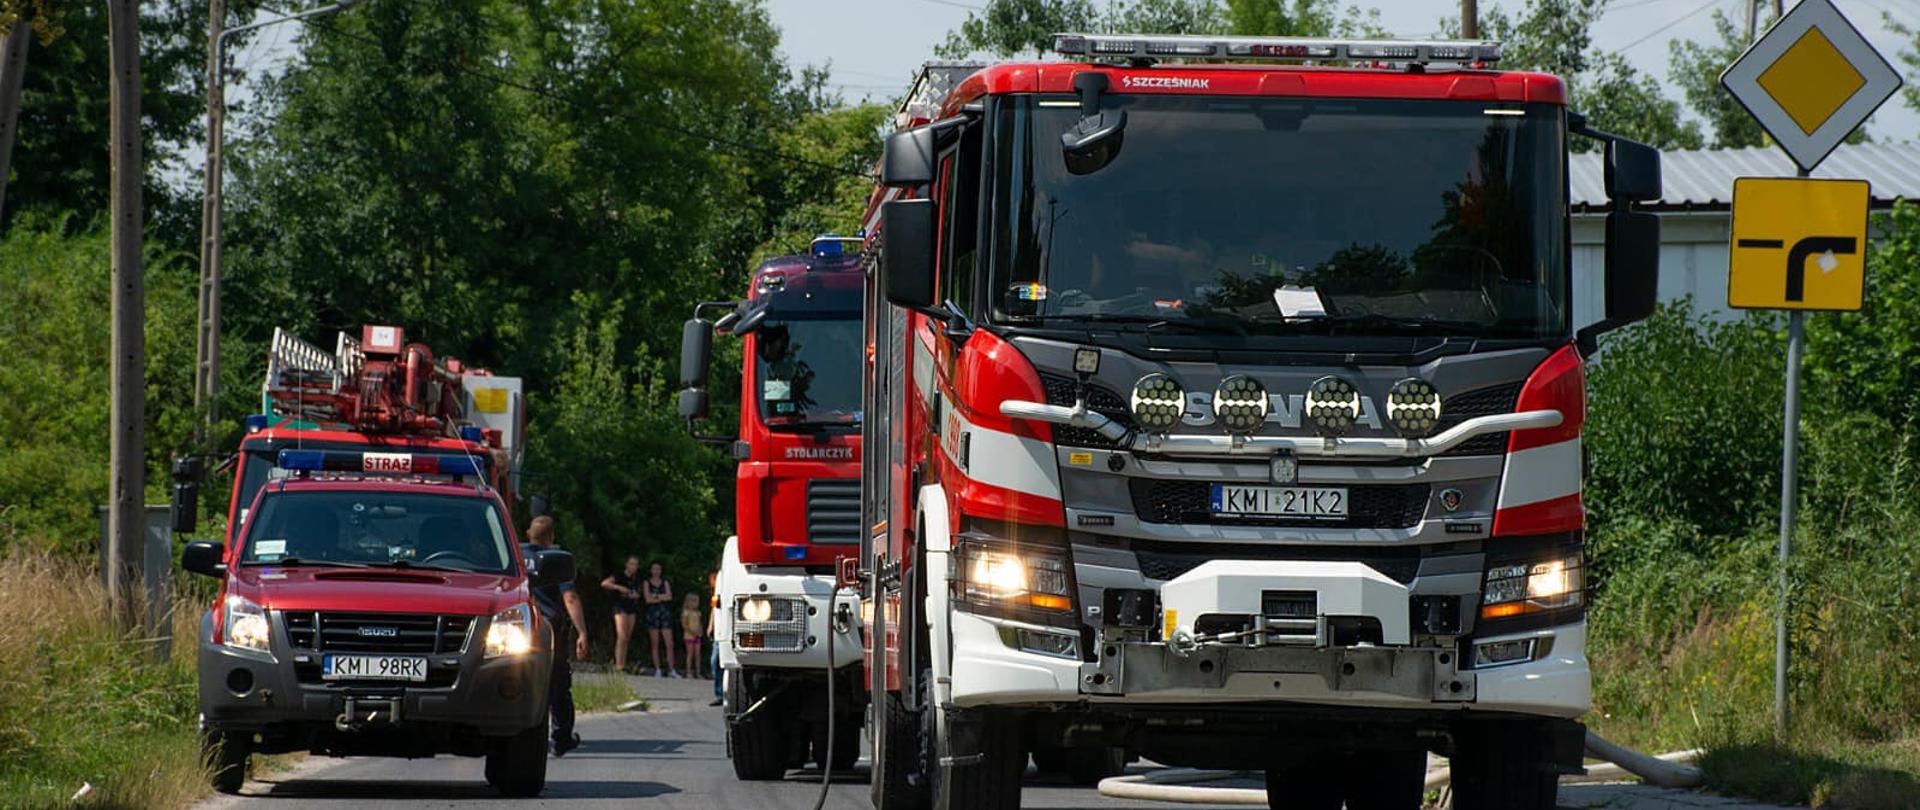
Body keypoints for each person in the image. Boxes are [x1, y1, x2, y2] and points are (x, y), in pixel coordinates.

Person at [524, 515, 589, 757]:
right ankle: (560, 738)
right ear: (551, 538)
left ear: (528, 533)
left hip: (516, 625)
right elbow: (570, 598)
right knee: (557, 682)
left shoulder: (513, 555)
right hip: (548, 629)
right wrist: (582, 631)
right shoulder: (555, 560)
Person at [600, 556, 642, 672]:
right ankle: (618, 665)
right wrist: (619, 588)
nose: (633, 567)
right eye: (631, 564)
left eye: (636, 565)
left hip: (631, 607)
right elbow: (604, 583)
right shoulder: (619, 576)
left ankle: (623, 662)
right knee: (621, 635)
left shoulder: (635, 579)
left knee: (627, 637)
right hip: (620, 606)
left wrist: (635, 595)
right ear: (627, 564)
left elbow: (637, 593)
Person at [642, 561, 679, 677]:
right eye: (654, 569)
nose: (656, 571)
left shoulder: (665, 582)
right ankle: (657, 668)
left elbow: (669, 596)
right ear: (651, 570)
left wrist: (656, 596)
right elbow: (647, 599)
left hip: (664, 613)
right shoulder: (647, 582)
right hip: (652, 614)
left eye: (658, 569)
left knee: (669, 643)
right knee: (655, 643)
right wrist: (660, 597)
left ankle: (671, 669)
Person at [680, 592, 705, 679]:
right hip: (689, 636)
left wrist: (700, 631)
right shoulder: (686, 613)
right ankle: (688, 672)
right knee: (690, 654)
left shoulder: (698, 613)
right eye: (694, 601)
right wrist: (692, 632)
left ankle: (698, 672)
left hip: (697, 635)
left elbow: (700, 623)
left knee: (697, 654)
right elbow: (684, 625)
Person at [708, 568, 723, 707]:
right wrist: (710, 625)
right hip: (719, 630)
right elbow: (714, 606)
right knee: (715, 661)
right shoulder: (719, 580)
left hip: (729, 628)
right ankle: (719, 694)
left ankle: (725, 694)